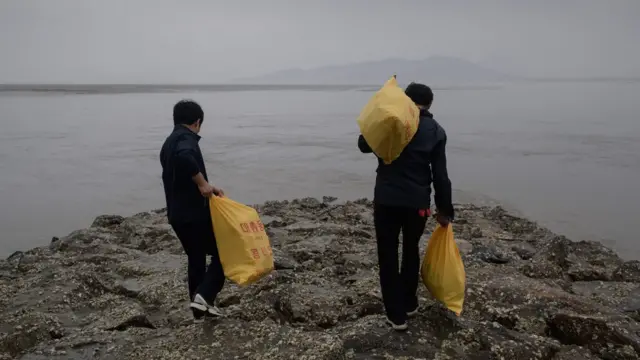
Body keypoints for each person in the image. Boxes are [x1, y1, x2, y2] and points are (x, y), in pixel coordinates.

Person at [357, 82, 454, 331]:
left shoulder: (391, 122)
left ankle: (396, 315)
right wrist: (445, 210)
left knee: (388, 254)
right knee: (411, 249)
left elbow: (363, 144)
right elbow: (440, 175)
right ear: (430, 104)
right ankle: (410, 302)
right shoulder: (435, 130)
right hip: (417, 203)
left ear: (405, 101)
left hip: (387, 200)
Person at [160, 100, 226, 322]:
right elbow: (185, 157)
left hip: (177, 215)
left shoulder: (168, 142)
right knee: (224, 252)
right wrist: (201, 184)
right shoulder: (186, 140)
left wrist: (209, 185)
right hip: (193, 215)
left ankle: (199, 309)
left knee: (196, 258)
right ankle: (205, 295)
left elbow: (180, 169)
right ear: (197, 122)